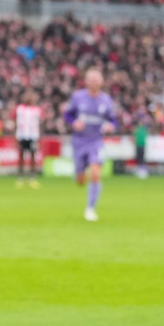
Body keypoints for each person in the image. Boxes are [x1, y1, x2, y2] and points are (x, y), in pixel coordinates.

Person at [63, 68, 117, 222]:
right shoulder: (77, 97)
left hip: (96, 142)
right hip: (79, 142)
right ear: (86, 81)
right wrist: (74, 122)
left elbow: (114, 120)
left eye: (96, 79)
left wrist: (111, 126)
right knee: (80, 180)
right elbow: (67, 114)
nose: (93, 81)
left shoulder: (106, 100)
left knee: (95, 173)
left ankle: (90, 209)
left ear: (101, 81)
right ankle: (79, 172)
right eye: (91, 79)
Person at [15, 92, 41, 187]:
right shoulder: (20, 109)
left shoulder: (36, 110)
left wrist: (38, 137)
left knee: (33, 156)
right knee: (21, 156)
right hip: (22, 135)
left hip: (33, 136)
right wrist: (17, 136)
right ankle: (20, 177)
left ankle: (32, 177)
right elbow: (16, 123)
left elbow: (38, 124)